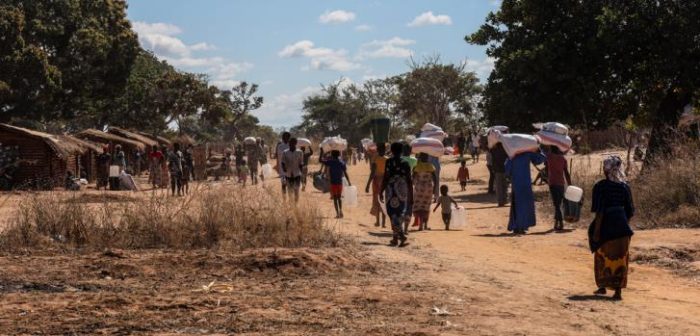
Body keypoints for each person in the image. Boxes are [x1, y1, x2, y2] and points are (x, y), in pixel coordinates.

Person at [588, 156, 634, 301]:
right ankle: (618, 291)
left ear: (606, 170)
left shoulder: (600, 186)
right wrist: (623, 222)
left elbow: (600, 211)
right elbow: (630, 210)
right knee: (620, 259)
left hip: (606, 226)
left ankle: (602, 286)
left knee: (602, 254)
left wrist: (596, 231)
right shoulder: (625, 187)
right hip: (622, 228)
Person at [379, 142, 412, 247]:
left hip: (390, 189)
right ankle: (395, 238)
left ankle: (401, 236)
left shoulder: (389, 162)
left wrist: (381, 191)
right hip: (402, 190)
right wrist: (411, 195)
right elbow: (409, 181)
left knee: (392, 213)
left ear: (391, 151)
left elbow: (385, 177)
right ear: (402, 151)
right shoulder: (405, 163)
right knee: (400, 214)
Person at [505, 150, 546, 234]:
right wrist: (539, 150)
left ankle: (517, 226)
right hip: (526, 183)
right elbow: (540, 159)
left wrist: (509, 176)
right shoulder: (527, 154)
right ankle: (522, 226)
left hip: (516, 184)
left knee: (517, 205)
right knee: (525, 205)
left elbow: (507, 169)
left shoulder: (512, 155)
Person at [546, 146, 572, 231]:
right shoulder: (563, 159)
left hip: (553, 183)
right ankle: (556, 222)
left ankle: (560, 222)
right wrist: (570, 184)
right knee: (558, 203)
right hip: (561, 183)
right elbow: (566, 173)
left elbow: (546, 168)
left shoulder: (549, 157)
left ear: (551, 148)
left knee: (556, 204)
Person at [321, 150, 351, 218]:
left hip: (333, 183)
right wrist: (349, 181)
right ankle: (340, 211)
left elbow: (321, 160)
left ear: (332, 155)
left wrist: (322, 152)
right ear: (339, 155)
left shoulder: (330, 162)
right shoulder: (342, 163)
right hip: (339, 183)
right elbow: (345, 173)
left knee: (335, 199)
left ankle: (337, 213)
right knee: (339, 198)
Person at [412, 153, 438, 231]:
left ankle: (420, 225)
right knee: (426, 206)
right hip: (428, 189)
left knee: (419, 206)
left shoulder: (417, 166)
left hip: (419, 189)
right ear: (427, 158)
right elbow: (435, 179)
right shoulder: (430, 166)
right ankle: (425, 225)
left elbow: (412, 177)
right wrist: (434, 189)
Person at [365, 143, 387, 228]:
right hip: (385, 182)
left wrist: (367, 185)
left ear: (377, 150)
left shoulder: (375, 159)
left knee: (376, 201)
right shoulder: (387, 159)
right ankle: (384, 223)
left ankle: (378, 221)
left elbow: (372, 173)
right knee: (383, 201)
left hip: (376, 182)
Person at [281, 138, 304, 202]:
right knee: (290, 191)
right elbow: (282, 162)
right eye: (290, 143)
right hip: (288, 175)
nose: (291, 144)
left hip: (297, 174)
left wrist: (301, 172)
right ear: (289, 143)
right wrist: (284, 168)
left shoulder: (300, 152)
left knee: (296, 190)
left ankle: (295, 205)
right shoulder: (285, 152)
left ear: (295, 143)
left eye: (293, 143)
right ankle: (291, 204)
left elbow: (301, 163)